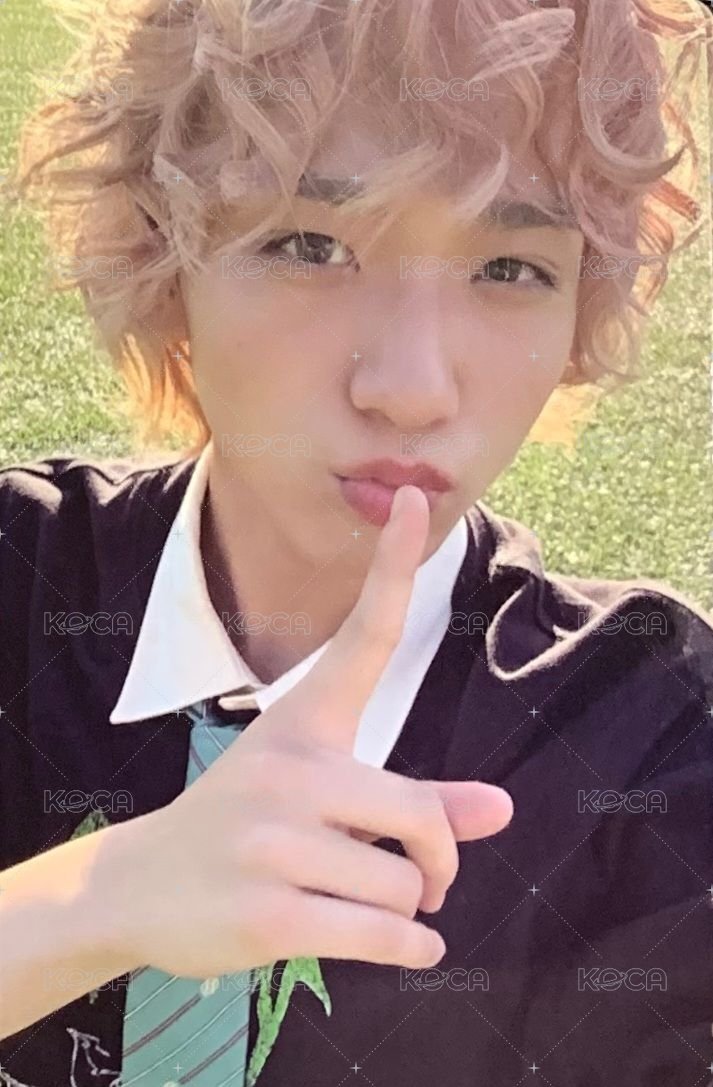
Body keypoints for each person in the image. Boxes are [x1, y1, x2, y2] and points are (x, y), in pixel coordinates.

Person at [1, 0, 711, 1084]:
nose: (411, 388)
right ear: (163, 254)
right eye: (309, 245)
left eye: (510, 267)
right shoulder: (20, 579)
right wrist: (94, 903)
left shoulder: (650, 740)